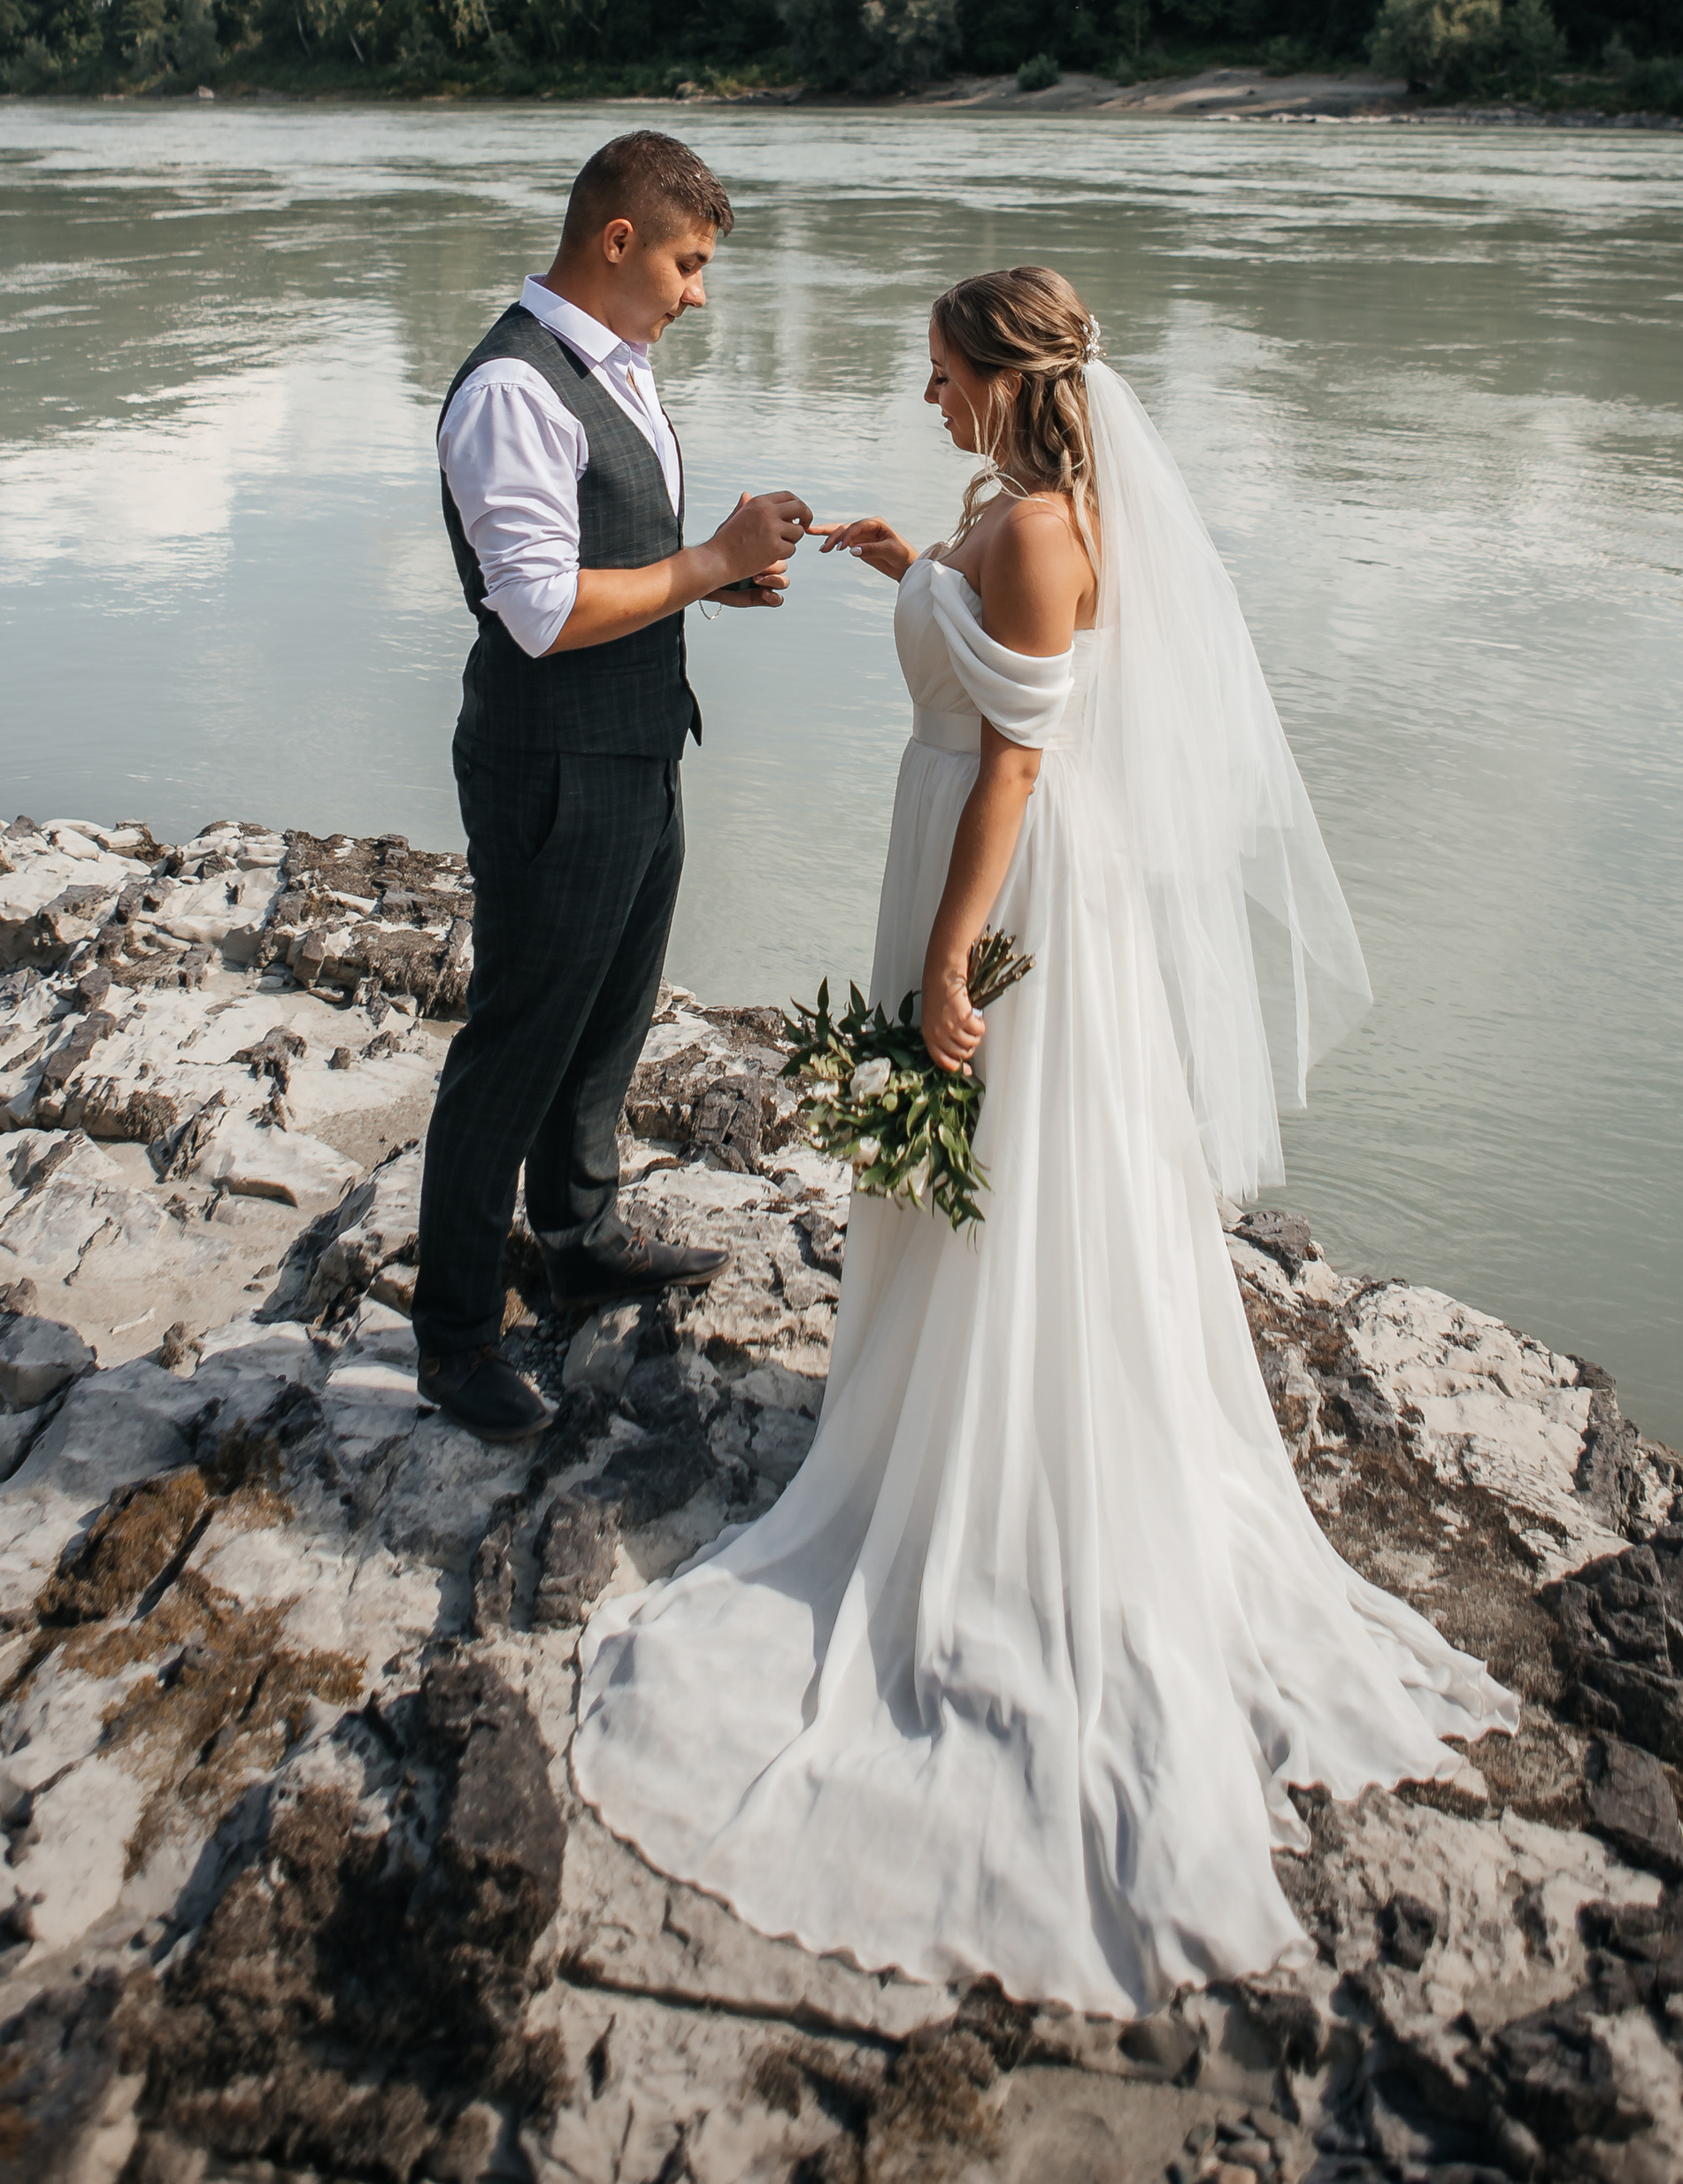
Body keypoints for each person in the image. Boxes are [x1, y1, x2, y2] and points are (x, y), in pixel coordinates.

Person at [572, 264, 1516, 2014]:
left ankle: (997, 1464)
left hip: (1001, 880)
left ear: (1006, 379)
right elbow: (1006, 653)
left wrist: (948, 956)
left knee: (1005, 1159)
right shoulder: (1014, 515)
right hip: (976, 842)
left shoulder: (1031, 532)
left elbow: (1015, 760)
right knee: (996, 1169)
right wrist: (904, 569)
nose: (924, 395)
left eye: (941, 373)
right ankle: (958, 1404)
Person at [418, 130, 811, 1445]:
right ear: (618, 240)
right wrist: (709, 562)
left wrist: (710, 581)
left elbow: (607, 557)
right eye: (688, 265)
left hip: (638, 745)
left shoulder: (613, 365)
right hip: (553, 764)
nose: (699, 293)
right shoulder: (513, 390)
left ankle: (577, 1242)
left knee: (609, 1018)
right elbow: (536, 613)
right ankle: (456, 1338)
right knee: (518, 1042)